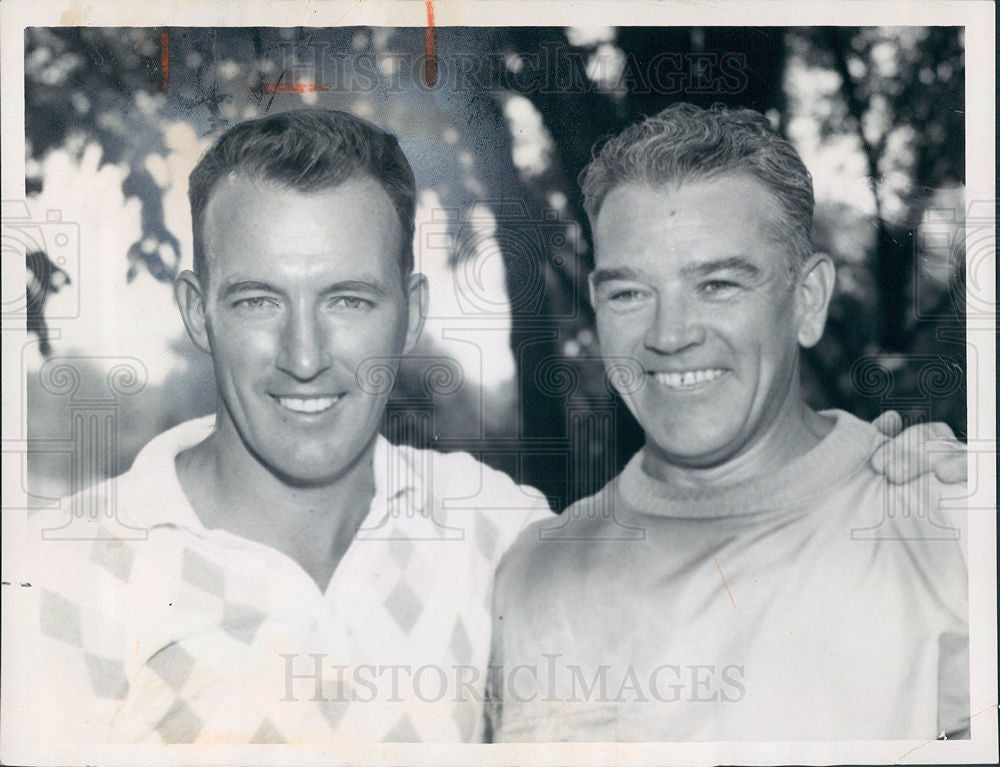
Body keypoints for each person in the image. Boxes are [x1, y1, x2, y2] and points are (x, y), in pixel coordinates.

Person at [18, 108, 961, 747]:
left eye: (348, 297)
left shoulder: (494, 533)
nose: (304, 355)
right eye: (259, 298)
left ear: (411, 309)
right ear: (196, 311)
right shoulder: (61, 580)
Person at [488, 103, 970, 742]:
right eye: (629, 293)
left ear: (808, 300)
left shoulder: (948, 527)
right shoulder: (530, 574)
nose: (670, 335)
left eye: (717, 284)